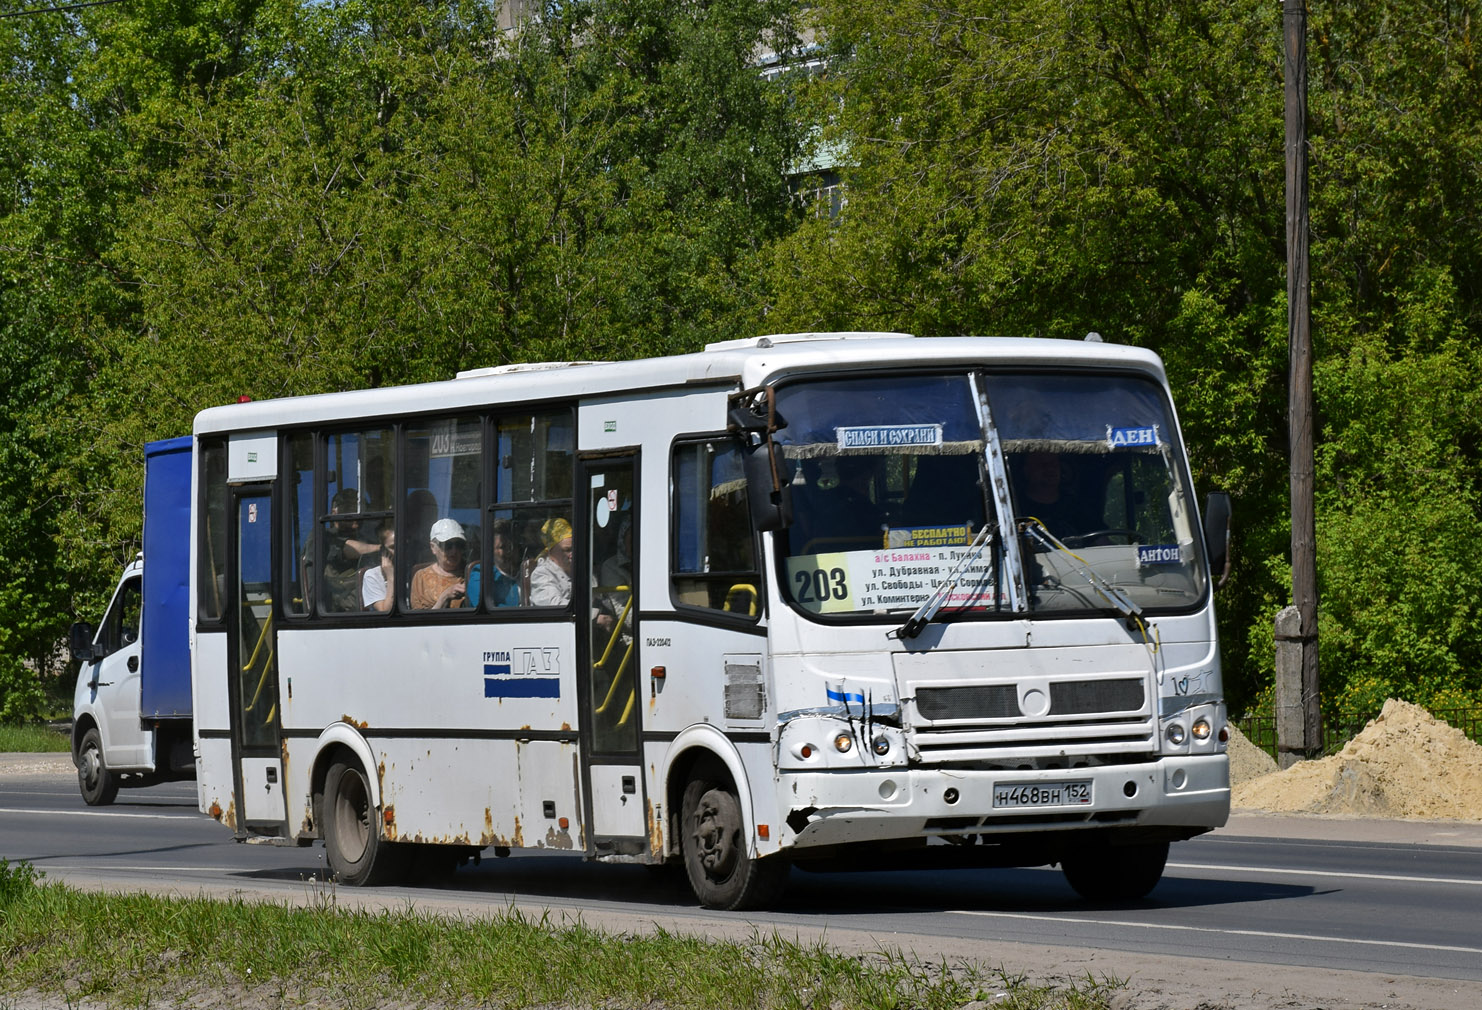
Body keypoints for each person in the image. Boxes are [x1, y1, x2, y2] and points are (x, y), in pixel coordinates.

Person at [318, 488, 379, 613]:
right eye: (350, 510)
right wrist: (384, 549)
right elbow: (349, 548)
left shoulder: (366, 536)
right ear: (335, 512)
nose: (356, 516)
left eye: (360, 510)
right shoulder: (325, 536)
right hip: (342, 609)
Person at [410, 518, 469, 609]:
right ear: (433, 547)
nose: (454, 551)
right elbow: (419, 619)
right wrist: (444, 597)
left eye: (458, 545)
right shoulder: (421, 577)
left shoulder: (472, 573)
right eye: (448, 545)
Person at [467, 519, 521, 607]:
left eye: (512, 546)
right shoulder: (481, 574)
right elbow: (484, 608)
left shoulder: (527, 573)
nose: (508, 551)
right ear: (490, 550)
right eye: (502, 547)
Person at [528, 517, 573, 607]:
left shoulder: (580, 570)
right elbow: (555, 605)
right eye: (567, 550)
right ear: (551, 551)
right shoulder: (542, 574)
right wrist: (592, 613)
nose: (572, 554)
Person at [361, 524, 395, 612]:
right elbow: (385, 611)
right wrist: (391, 577)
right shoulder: (372, 576)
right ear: (383, 550)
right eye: (393, 547)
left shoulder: (411, 572)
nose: (397, 551)